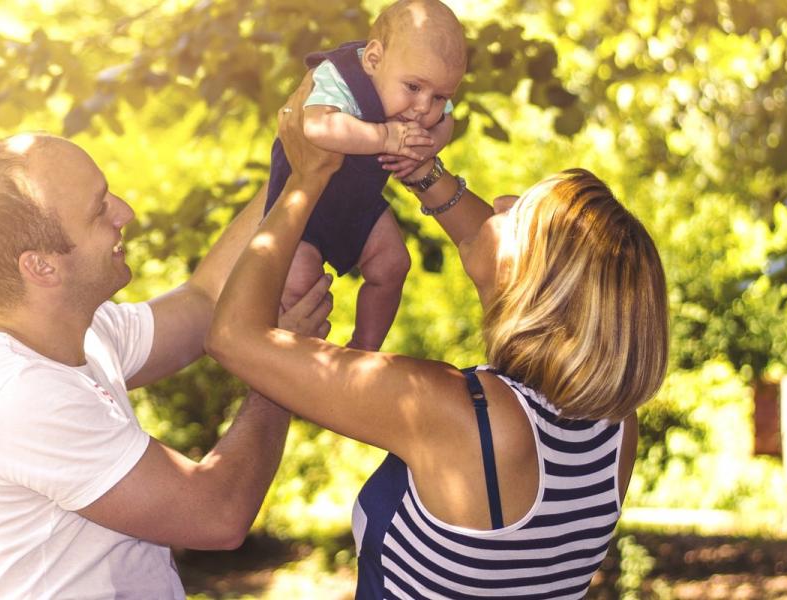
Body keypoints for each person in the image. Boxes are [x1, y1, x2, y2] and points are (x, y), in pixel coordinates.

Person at [208, 78, 669, 597]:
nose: (498, 200)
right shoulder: (613, 432)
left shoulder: (453, 411)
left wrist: (302, 181)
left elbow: (232, 337)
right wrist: (422, 170)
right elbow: (482, 238)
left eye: (519, 213)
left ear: (535, 278)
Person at [0, 132, 332, 598]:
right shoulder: (17, 395)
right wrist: (279, 366)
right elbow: (217, 514)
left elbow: (204, 299)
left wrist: (295, 162)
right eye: (99, 209)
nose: (125, 213)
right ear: (41, 267)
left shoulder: (86, 334)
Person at [265, 0, 466, 351]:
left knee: (393, 264)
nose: (424, 108)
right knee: (298, 285)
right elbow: (316, 125)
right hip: (301, 211)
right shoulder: (340, 76)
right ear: (374, 59)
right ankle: (287, 364)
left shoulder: (424, 99)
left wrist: (428, 147)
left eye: (439, 95)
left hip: (358, 204)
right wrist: (385, 137)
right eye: (414, 88)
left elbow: (447, 120)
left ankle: (363, 348)